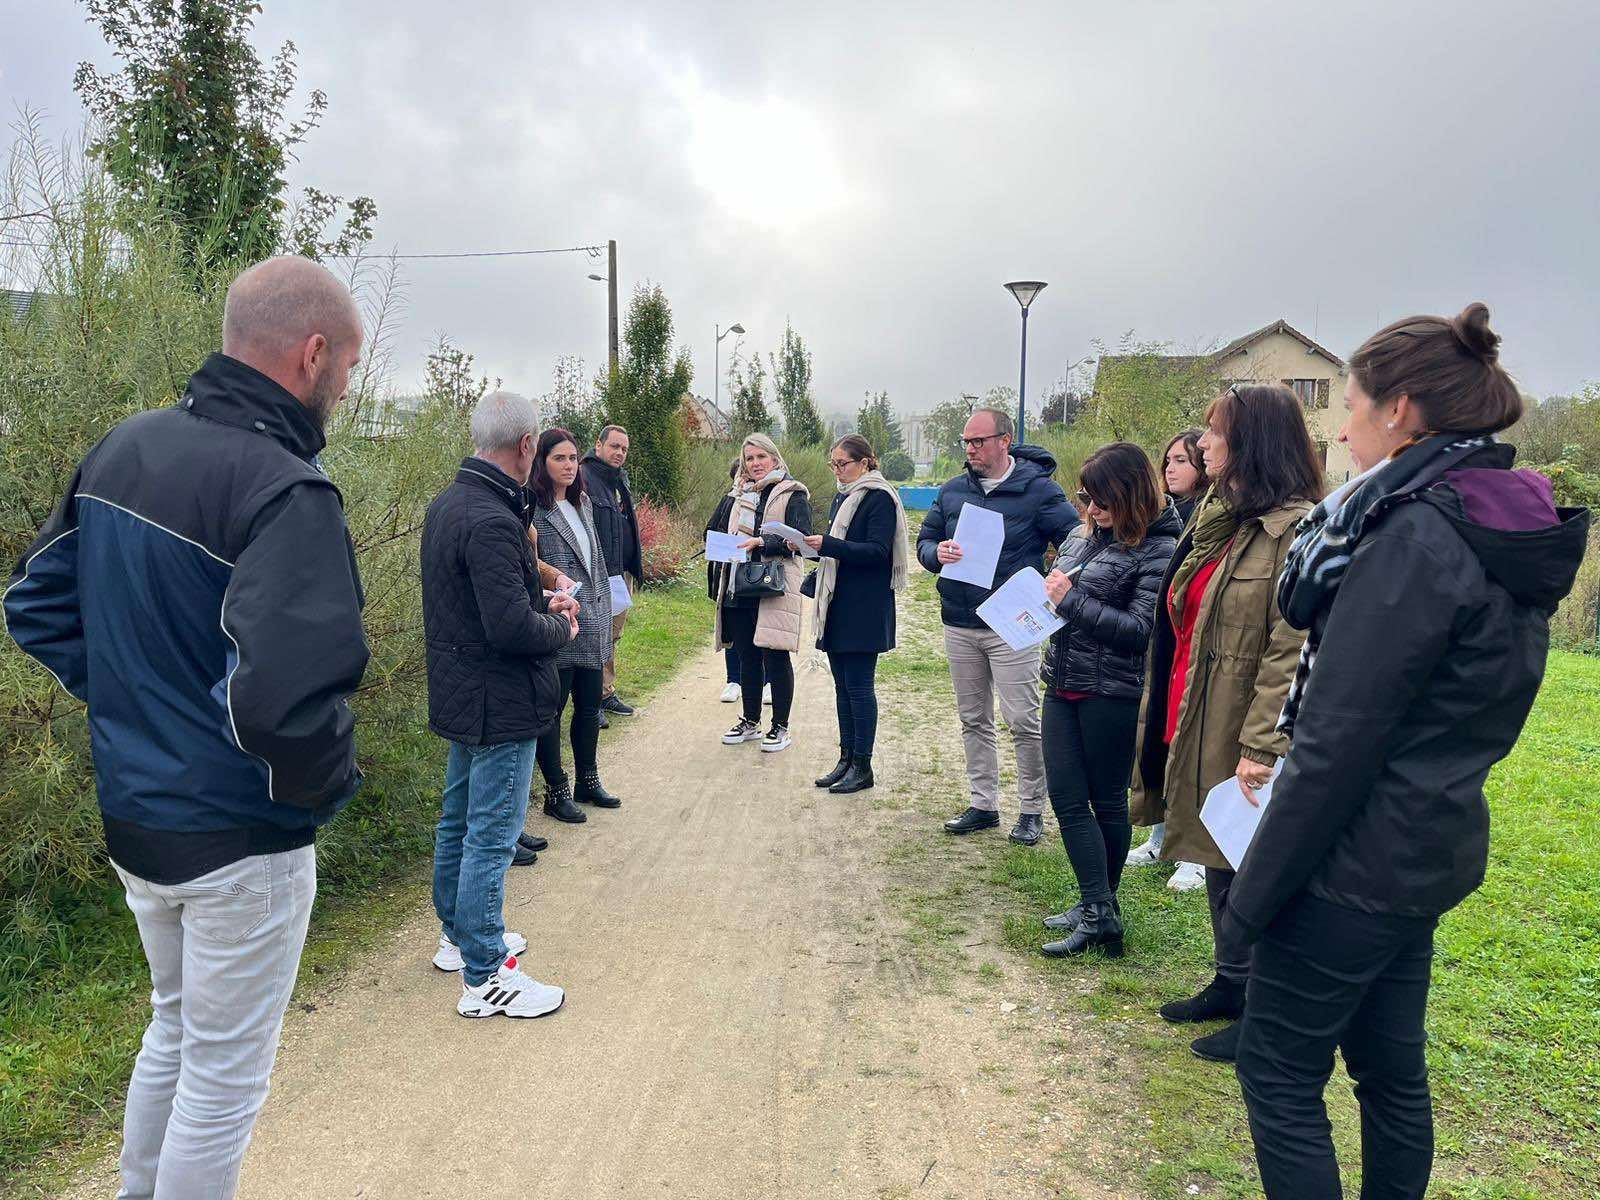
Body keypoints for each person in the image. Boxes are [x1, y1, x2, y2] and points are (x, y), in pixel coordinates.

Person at [3, 257, 370, 1196]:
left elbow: (34, 606)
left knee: (174, 1026)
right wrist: (326, 790)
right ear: (314, 354)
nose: (346, 389)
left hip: (138, 816)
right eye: (349, 369)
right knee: (223, 1075)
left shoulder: (122, 447)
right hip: (240, 837)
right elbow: (277, 703)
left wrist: (140, 705)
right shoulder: (289, 490)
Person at [1228, 305, 1588, 1199]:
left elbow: (1336, 744)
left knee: (1277, 1074)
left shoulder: (1413, 537)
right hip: (1426, 845)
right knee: (1391, 1080)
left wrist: (1253, 898)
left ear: (1400, 412)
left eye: (1347, 405)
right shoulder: (1493, 521)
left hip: (1349, 866)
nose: (1339, 427)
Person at [1128, 383, 1323, 1063]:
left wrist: (1262, 744)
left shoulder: (1296, 530)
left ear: (1253, 444)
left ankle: (1264, 1012)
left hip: (1245, 725)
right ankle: (1230, 982)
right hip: (1196, 705)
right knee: (1218, 852)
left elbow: (1290, 642)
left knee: (1255, 868)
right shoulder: (1225, 519)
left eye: (1216, 433)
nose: (1203, 444)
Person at [422, 391, 576, 1019]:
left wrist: (540, 610)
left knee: (458, 822)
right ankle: (485, 974)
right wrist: (561, 626)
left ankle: (459, 939)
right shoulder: (491, 518)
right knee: (492, 833)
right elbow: (510, 627)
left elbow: (480, 608)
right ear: (525, 447)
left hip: (465, 691)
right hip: (500, 699)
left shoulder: (450, 503)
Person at [1037, 444, 1181, 956]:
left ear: (1129, 496)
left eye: (1100, 501)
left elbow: (1140, 630)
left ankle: (1100, 910)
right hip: (1062, 681)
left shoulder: (1160, 549)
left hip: (1111, 691)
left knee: (1104, 804)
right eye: (1084, 498)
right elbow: (1060, 594)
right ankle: (1097, 905)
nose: (1090, 510)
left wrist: (1068, 602)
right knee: (1067, 798)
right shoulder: (1083, 535)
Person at [916, 407, 1079, 843]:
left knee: (1022, 719)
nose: (971, 449)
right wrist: (937, 554)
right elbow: (924, 543)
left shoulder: (1039, 491)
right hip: (960, 621)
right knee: (973, 718)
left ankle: (1031, 809)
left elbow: (1078, 541)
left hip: (1012, 625)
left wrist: (1050, 582)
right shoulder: (952, 492)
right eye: (966, 442)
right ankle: (983, 803)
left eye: (979, 441)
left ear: (1004, 440)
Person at [1126, 428, 1212, 883]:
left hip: (1195, 642)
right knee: (1156, 736)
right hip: (1162, 641)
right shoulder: (1162, 515)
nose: (1169, 469)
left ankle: (1195, 851)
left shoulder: (1212, 516)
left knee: (1190, 742)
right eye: (1167, 460)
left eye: (1181, 460)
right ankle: (1159, 837)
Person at [804, 434, 910, 794]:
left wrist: (829, 545)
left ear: (865, 463)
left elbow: (878, 552)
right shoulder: (843, 496)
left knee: (860, 687)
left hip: (864, 607)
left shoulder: (879, 498)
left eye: (842, 464)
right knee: (842, 687)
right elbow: (839, 552)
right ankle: (846, 759)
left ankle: (863, 766)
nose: (837, 470)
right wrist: (808, 548)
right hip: (837, 604)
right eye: (832, 464)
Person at [530, 428, 620, 819]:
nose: (568, 466)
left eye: (571, 458)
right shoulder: (534, 507)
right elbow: (527, 563)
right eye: (558, 459)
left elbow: (595, 562)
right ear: (542, 462)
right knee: (552, 709)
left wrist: (605, 610)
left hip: (592, 618)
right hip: (559, 621)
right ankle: (555, 791)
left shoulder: (582, 503)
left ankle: (588, 780)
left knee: (588, 706)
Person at [713, 433, 812, 752]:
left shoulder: (792, 493)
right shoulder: (735, 494)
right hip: (739, 582)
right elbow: (713, 529)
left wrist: (763, 542)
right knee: (747, 655)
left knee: (775, 654)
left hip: (774, 584)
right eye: (749, 459)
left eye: (760, 457)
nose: (755, 464)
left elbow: (803, 542)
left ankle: (781, 727)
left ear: (775, 458)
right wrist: (720, 544)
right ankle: (750, 721)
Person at [581, 424, 642, 722]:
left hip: (619, 573)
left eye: (624, 449)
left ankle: (606, 692)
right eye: (614, 446)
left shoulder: (618, 480)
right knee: (595, 636)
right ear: (598, 445)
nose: (619, 453)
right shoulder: (584, 478)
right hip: (597, 575)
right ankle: (590, 702)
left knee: (612, 635)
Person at [707, 456, 760, 705]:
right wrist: (724, 545)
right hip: (728, 576)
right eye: (741, 474)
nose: (744, 478)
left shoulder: (767, 497)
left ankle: (768, 681)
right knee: (732, 629)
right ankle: (733, 680)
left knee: (763, 630)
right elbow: (709, 531)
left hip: (759, 577)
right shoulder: (729, 499)